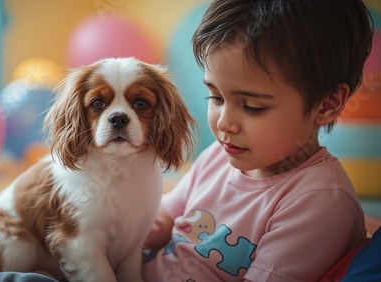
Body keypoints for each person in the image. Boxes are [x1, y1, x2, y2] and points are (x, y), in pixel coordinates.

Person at [142, 0, 373, 281]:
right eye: (215, 97)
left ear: (327, 104)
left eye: (252, 106)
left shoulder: (319, 201)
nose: (224, 123)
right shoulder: (218, 154)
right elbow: (161, 221)